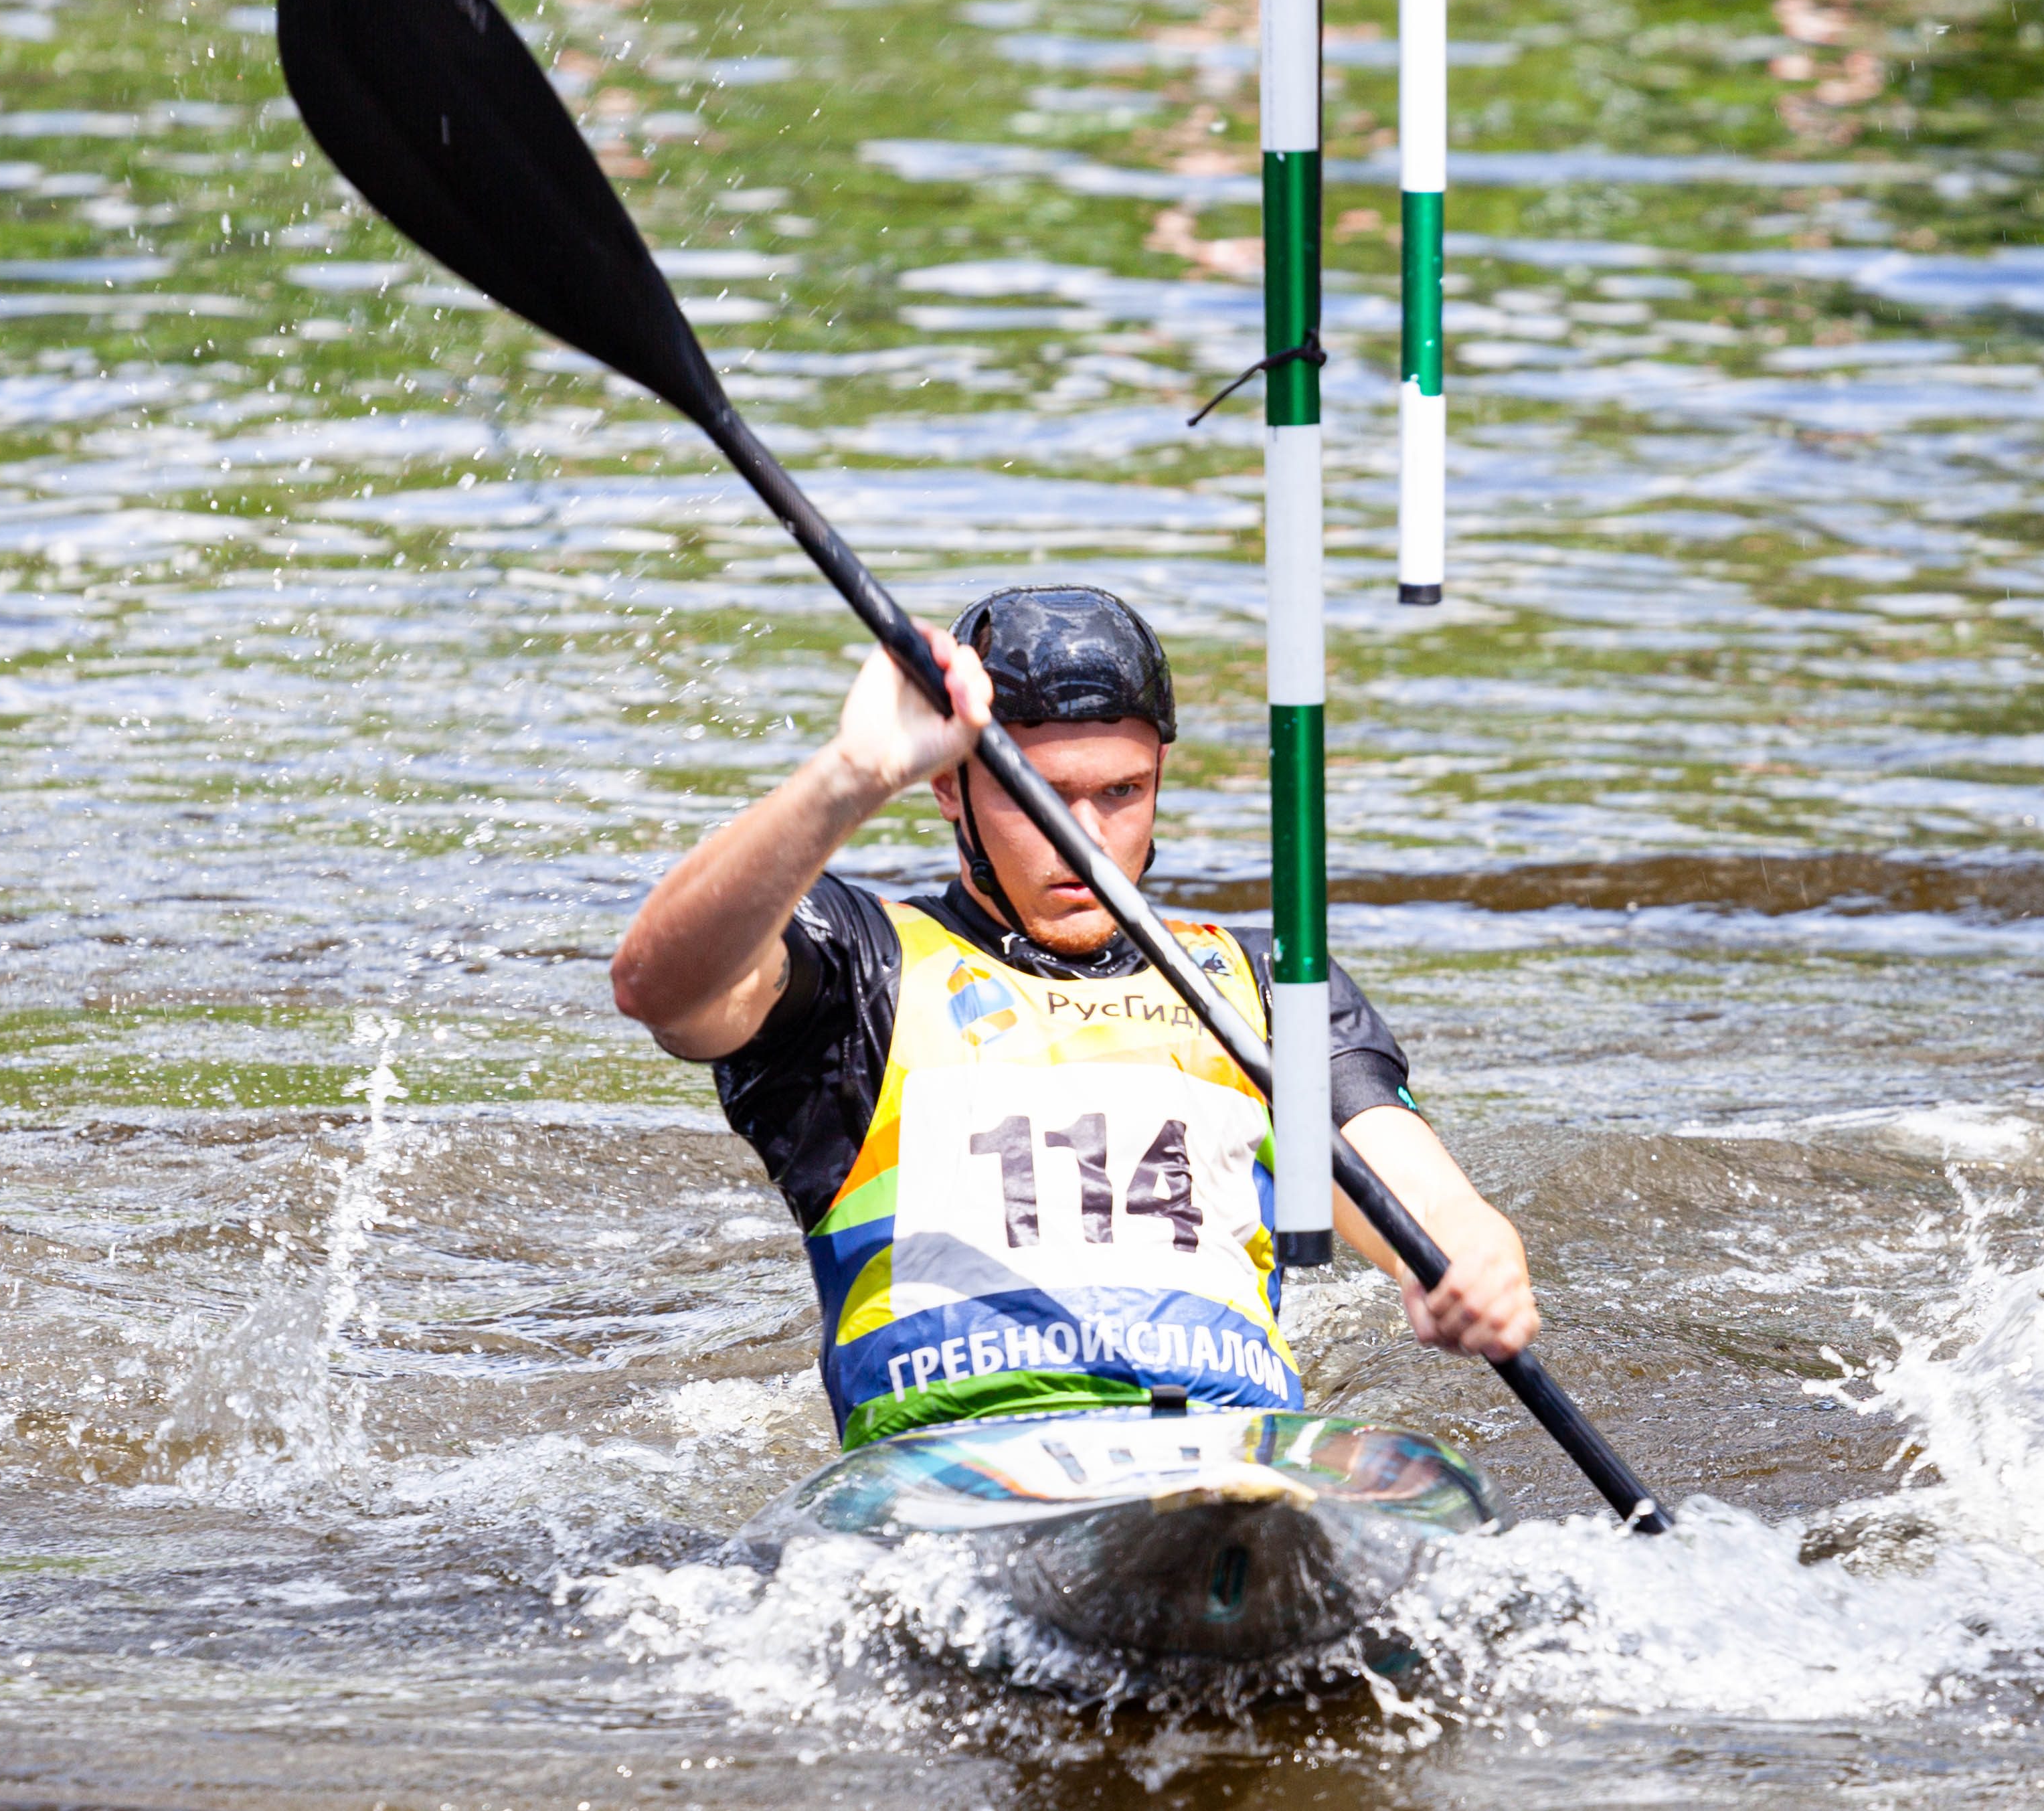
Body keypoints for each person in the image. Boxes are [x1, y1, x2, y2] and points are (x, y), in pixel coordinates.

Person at [611, 586, 1540, 1448]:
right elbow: (659, 987)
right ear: (950, 788)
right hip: (951, 1464)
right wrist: (851, 775)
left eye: (1121, 793)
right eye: (1037, 797)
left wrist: (1473, 1261)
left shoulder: (1264, 984)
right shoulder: (855, 970)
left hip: (1228, 1460)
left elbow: (1428, 1201)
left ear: (1159, 777)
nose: (1085, 837)